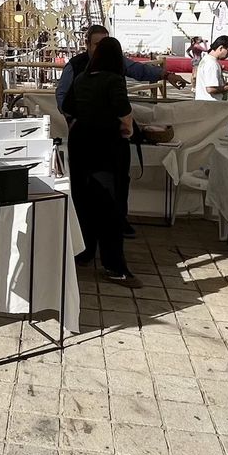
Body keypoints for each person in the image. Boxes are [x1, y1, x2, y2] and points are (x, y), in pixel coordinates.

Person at [66, 35, 141, 288]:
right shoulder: (114, 80)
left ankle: (85, 252)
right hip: (107, 147)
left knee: (84, 201)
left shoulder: (81, 78)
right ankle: (114, 267)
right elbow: (125, 114)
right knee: (111, 207)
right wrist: (127, 130)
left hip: (80, 144)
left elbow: (68, 107)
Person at [56, 25, 184, 116]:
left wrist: (166, 75)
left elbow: (139, 70)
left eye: (105, 44)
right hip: (84, 128)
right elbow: (61, 94)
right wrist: (70, 118)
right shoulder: (74, 65)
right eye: (97, 45)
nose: (102, 49)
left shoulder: (117, 61)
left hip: (111, 126)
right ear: (87, 44)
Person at [194, 35, 228, 100]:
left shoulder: (206, 59)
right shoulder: (212, 63)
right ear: (221, 48)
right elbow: (210, 89)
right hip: (212, 105)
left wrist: (225, 84)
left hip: (204, 103)